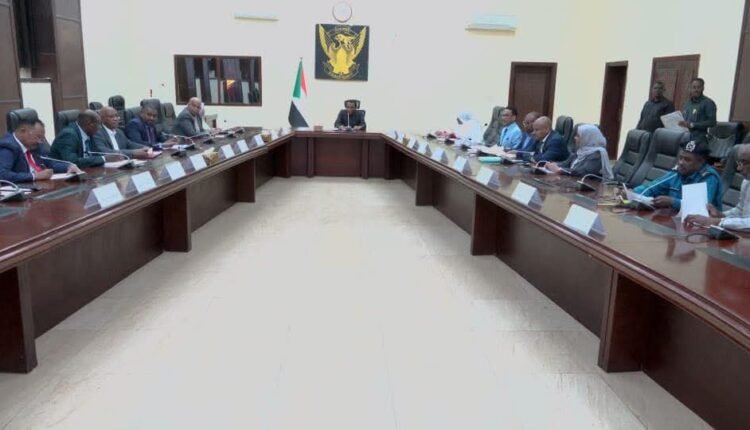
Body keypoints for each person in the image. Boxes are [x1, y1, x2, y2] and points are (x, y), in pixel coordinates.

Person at [632, 139, 722, 210]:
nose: (681, 163)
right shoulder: (677, 173)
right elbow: (651, 188)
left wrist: (672, 202)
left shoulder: (708, 177)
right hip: (673, 219)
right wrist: (632, 193)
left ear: (701, 162)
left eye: (687, 160)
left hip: (702, 224)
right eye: (680, 158)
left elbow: (700, 207)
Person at [686, 144, 750, 230]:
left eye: (744, 163)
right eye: (739, 163)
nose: (739, 168)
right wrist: (721, 215)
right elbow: (740, 211)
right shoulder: (747, 182)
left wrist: (717, 221)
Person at [0, 117, 79, 182]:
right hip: (22, 192)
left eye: (42, 138)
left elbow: (50, 164)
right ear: (23, 131)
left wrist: (68, 166)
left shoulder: (35, 145)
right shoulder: (8, 146)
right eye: (38, 137)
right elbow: (2, 174)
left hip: (41, 187)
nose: (40, 141)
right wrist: (34, 176)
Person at [545, 124, 614, 179]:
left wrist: (560, 170)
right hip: (574, 181)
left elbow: (583, 171)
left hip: (591, 187)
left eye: (578, 136)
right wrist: (552, 165)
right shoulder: (581, 150)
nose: (575, 138)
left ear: (587, 137)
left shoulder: (597, 154)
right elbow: (566, 163)